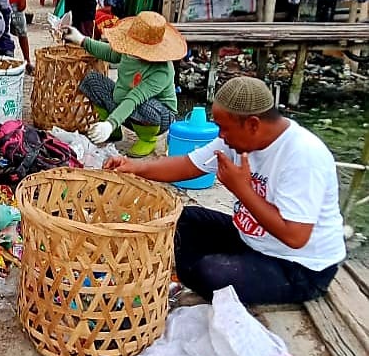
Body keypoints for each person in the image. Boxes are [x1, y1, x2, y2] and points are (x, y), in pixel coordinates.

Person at [104, 76, 346, 305]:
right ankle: (190, 275)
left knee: (212, 272)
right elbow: (188, 165)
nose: (221, 135)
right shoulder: (237, 137)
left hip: (300, 267)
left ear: (252, 124)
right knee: (183, 218)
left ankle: (194, 275)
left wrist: (242, 189)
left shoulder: (303, 155)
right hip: (252, 240)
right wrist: (135, 167)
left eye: (224, 128)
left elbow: (296, 237)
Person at [62, 11, 185, 157]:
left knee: (143, 104)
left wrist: (111, 122)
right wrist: (81, 40)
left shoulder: (162, 71)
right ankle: (114, 131)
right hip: (125, 106)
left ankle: (147, 139)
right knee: (93, 80)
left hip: (157, 116)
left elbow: (135, 97)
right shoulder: (128, 50)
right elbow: (108, 52)